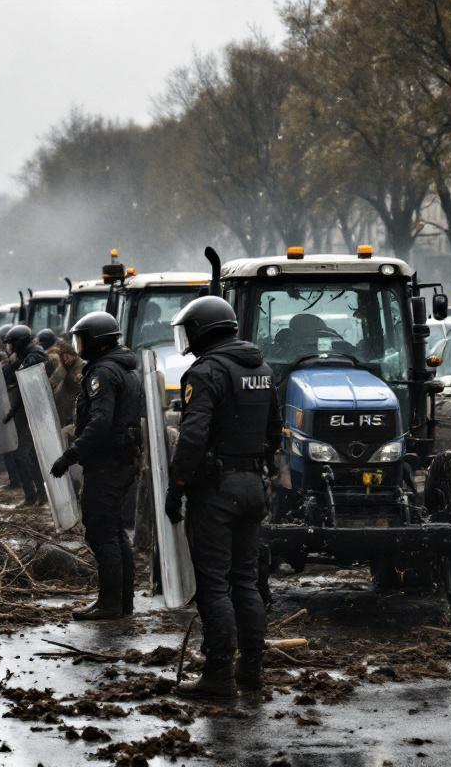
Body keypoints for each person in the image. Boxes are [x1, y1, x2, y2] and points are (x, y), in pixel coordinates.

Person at [166, 296, 279, 699]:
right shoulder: (262, 369)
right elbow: (275, 431)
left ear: (202, 331)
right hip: (252, 486)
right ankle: (251, 670)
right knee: (245, 582)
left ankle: (218, 676)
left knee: (214, 585)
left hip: (216, 491)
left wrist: (177, 486)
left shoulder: (206, 371)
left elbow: (193, 436)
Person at [49, 311, 141, 621]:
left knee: (102, 532)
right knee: (114, 530)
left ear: (96, 342)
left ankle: (110, 603)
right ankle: (122, 601)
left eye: (82, 340)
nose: (79, 346)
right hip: (121, 460)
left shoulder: (103, 372)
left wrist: (71, 455)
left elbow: (101, 422)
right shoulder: (124, 368)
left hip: (107, 463)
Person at [0, 325, 48, 508]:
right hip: (26, 411)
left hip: (37, 413)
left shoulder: (35, 356)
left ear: (19, 343)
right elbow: (7, 373)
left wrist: (11, 412)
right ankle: (37, 495)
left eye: (11, 344)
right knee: (28, 455)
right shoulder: (24, 356)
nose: (9, 347)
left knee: (22, 454)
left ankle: (34, 495)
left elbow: (24, 383)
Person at [50, 341, 84, 428]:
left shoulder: (81, 365)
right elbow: (55, 378)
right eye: (63, 358)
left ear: (73, 355)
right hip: (62, 399)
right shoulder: (64, 366)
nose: (65, 360)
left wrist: (77, 377)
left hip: (74, 401)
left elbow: (78, 379)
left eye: (67, 357)